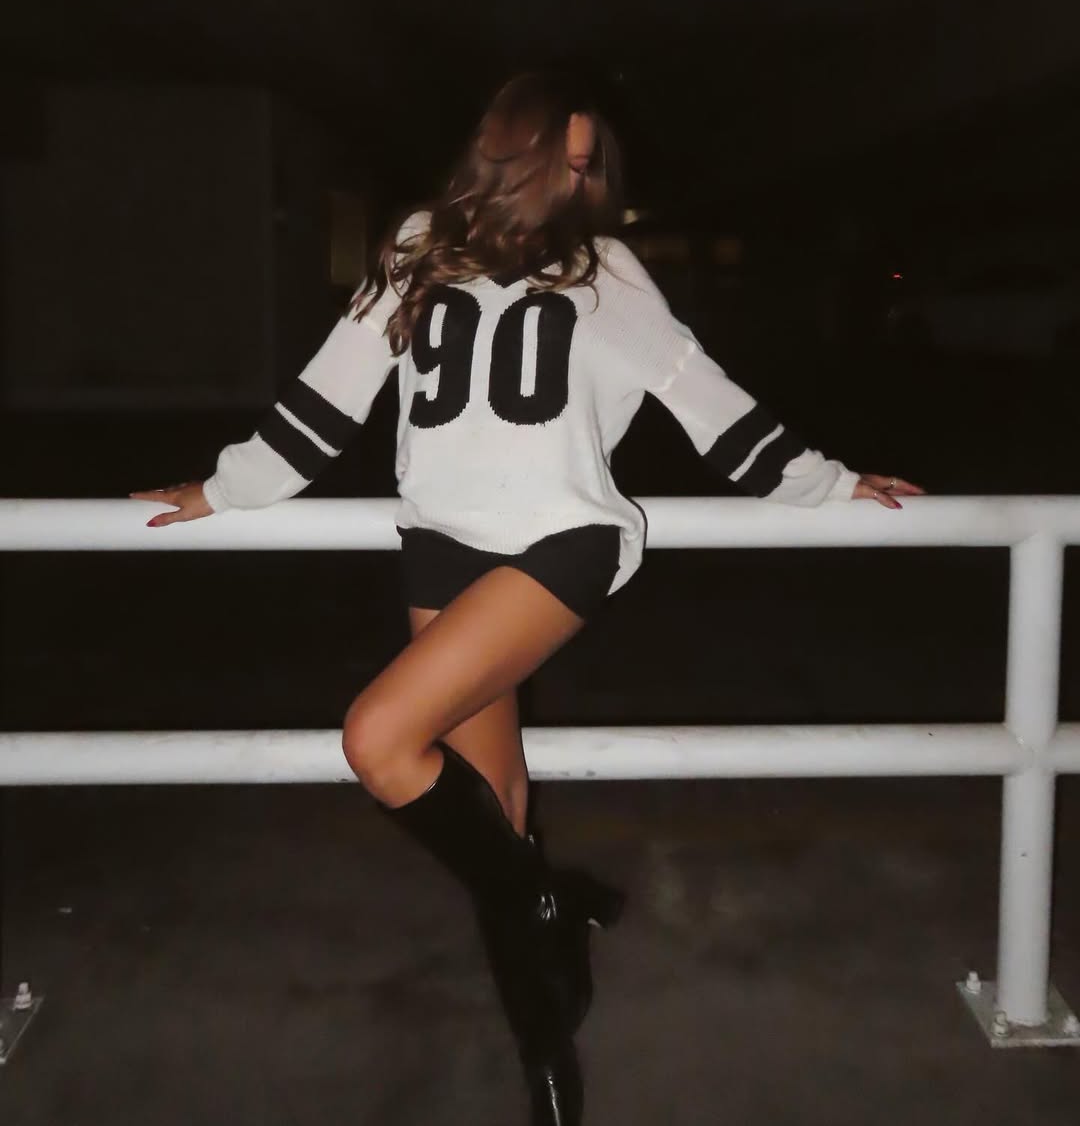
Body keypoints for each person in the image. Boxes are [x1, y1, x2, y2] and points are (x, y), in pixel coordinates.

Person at [132, 71, 922, 1125]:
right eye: (565, 159)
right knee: (497, 808)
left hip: (561, 543)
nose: (581, 181)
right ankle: (546, 1039)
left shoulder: (607, 269)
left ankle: (545, 903)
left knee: (379, 738)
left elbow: (706, 401)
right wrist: (224, 488)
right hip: (441, 547)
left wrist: (828, 482)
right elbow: (331, 393)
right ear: (509, 152)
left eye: (592, 165)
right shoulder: (419, 245)